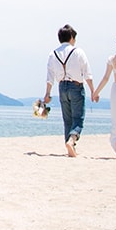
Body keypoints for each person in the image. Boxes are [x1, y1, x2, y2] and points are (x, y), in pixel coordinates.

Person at [40, 24, 93, 157]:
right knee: (78, 118)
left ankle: (70, 146)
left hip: (61, 87)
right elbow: (87, 74)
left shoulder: (53, 54)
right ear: (71, 37)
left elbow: (49, 77)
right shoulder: (78, 52)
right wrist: (93, 91)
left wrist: (47, 93)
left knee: (67, 119)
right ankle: (72, 140)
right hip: (76, 86)